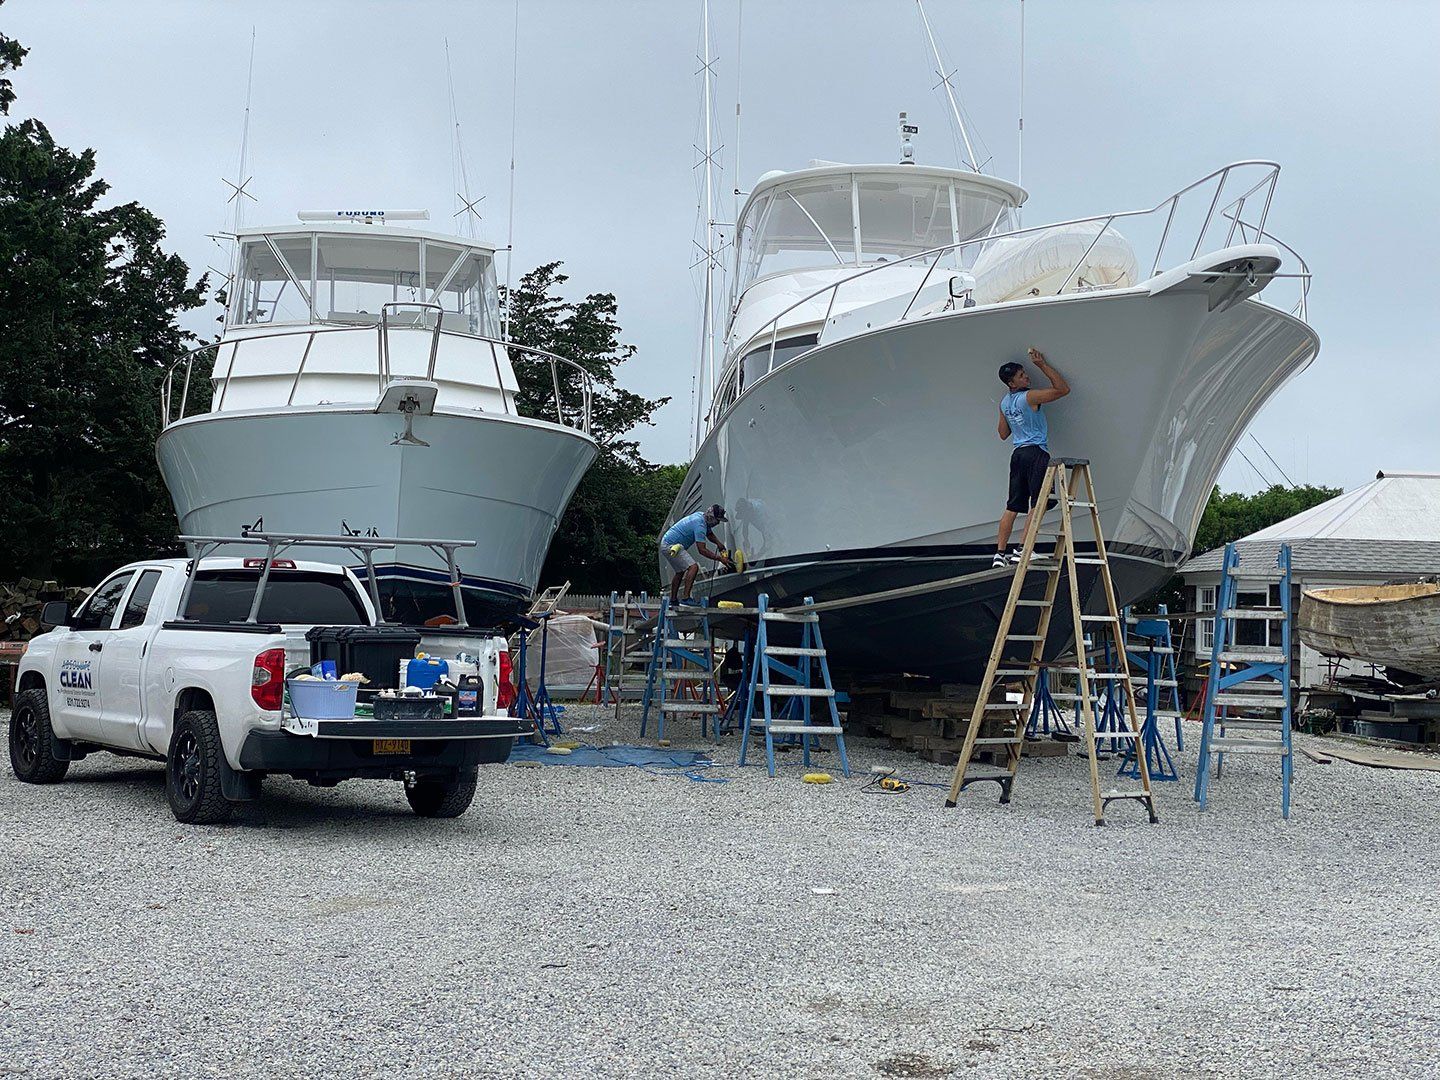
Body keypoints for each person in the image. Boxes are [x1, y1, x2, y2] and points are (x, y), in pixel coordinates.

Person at [994, 348, 1070, 568]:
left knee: (1013, 506)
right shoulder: (1030, 396)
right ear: (1012, 383)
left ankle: (1000, 554)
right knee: (1038, 503)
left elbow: (1002, 434)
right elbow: (1063, 389)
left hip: (1017, 454)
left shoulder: (1005, 403)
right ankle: (1023, 549)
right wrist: (1042, 365)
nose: (1026, 376)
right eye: (1021, 375)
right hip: (1036, 452)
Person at [661, 504, 733, 605]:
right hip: (671, 546)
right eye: (717, 520)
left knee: (680, 571)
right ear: (711, 517)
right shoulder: (699, 525)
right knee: (693, 567)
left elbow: (710, 534)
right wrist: (720, 559)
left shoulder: (701, 517)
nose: (717, 523)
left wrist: (719, 544)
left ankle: (673, 600)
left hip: (667, 543)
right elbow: (702, 550)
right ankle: (686, 598)